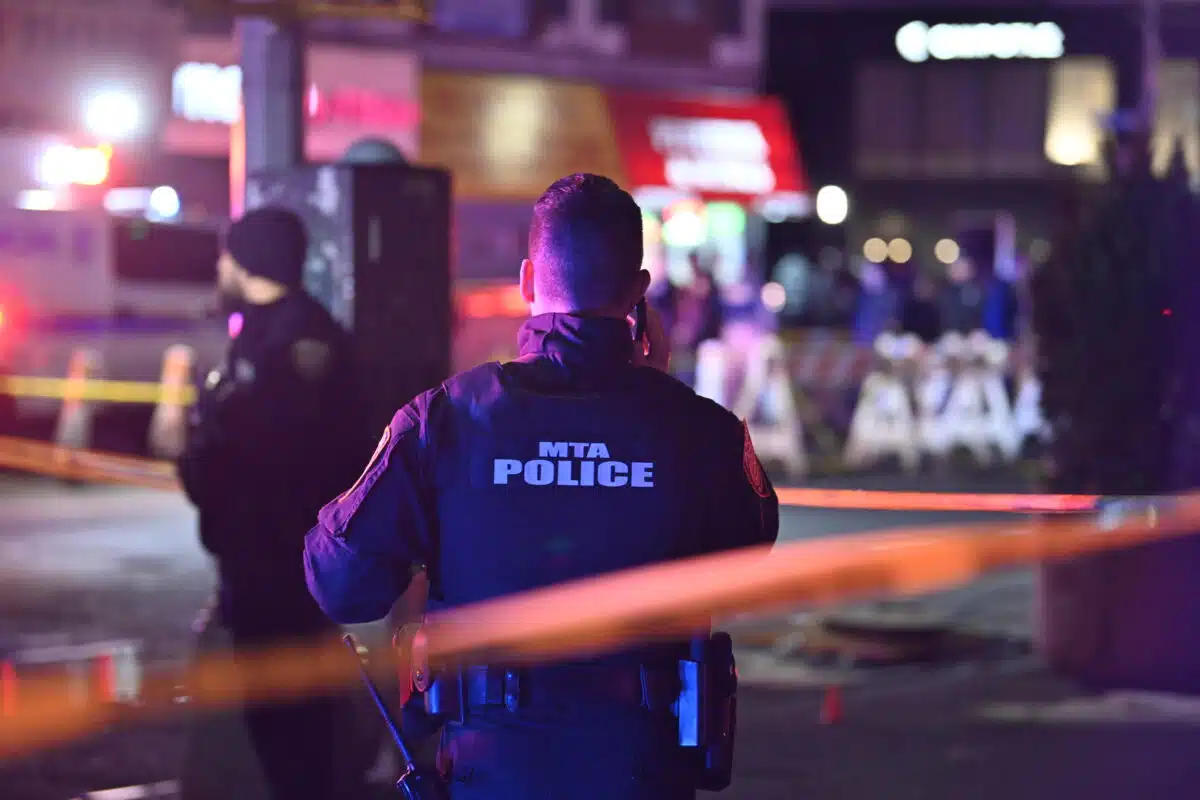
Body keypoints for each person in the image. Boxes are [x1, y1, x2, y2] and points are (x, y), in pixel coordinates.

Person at [304, 174, 781, 799]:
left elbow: (340, 584)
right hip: (642, 773)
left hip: (491, 775)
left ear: (529, 281)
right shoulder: (700, 430)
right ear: (640, 293)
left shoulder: (444, 419)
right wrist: (654, 401)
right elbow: (749, 556)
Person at [178, 206, 370, 800]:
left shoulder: (294, 341)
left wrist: (198, 454)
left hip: (278, 562)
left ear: (246, 260)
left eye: (227, 254)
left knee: (290, 720)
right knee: (281, 715)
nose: (220, 265)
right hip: (260, 557)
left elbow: (271, 458)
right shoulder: (266, 331)